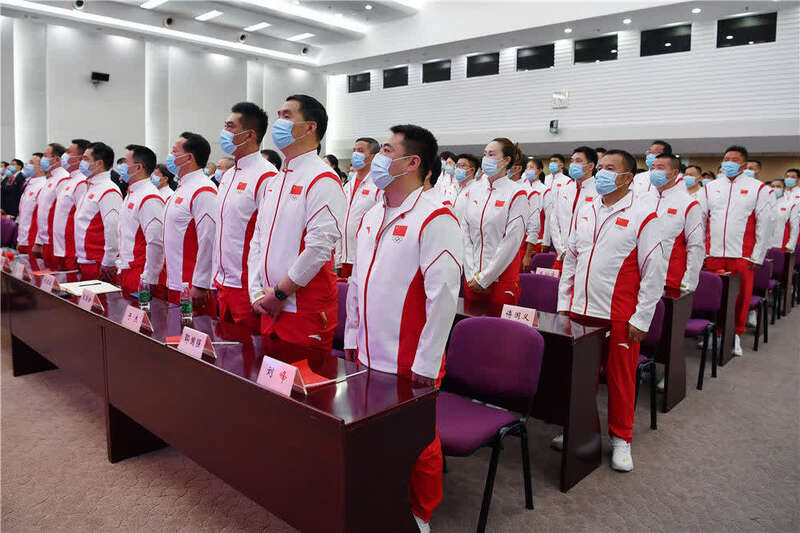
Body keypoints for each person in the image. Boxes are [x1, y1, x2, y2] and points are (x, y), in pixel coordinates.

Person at [344, 124, 462, 533]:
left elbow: (443, 297)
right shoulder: (372, 213)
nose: (377, 157)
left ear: (412, 162)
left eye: (386, 150)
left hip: (410, 355)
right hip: (367, 347)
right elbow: (357, 280)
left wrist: (427, 361)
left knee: (418, 439)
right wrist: (351, 334)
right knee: (371, 429)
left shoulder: (436, 217)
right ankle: (381, 495)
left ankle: (420, 513)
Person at [556, 149, 667, 472]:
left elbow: (654, 271)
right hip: (580, 308)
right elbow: (571, 259)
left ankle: (622, 438)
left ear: (628, 177)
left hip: (619, 312)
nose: (602, 173)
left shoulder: (643, 214)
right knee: (580, 376)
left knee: (620, 379)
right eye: (600, 167)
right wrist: (564, 304)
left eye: (610, 168)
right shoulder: (587, 208)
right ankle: (579, 429)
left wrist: (642, 317)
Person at [247, 94, 346, 362]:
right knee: (266, 380)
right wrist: (256, 291)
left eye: (287, 116)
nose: (279, 122)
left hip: (302, 308)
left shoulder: (322, 179)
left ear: (310, 127)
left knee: (302, 383)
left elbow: (319, 248)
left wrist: (280, 292)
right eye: (278, 115)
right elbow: (258, 240)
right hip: (269, 304)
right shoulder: (275, 181)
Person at [214, 101, 278, 333]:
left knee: (249, 352)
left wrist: (256, 288)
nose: (224, 132)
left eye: (230, 127)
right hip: (223, 283)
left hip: (247, 286)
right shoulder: (228, 175)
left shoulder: (267, 176)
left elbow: (269, 237)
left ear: (250, 135)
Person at [702, 146, 770, 356]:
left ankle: (735, 334)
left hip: (742, 254)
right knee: (712, 297)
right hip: (713, 253)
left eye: (734, 159)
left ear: (744, 164)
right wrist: (701, 251)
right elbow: (701, 220)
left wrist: (758, 255)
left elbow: (765, 224)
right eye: (726, 158)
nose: (729, 162)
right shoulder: (711, 187)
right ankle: (713, 332)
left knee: (740, 297)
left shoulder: (758, 188)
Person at [462, 138, 527, 310]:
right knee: (470, 324)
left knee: (497, 326)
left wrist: (485, 278)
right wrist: (471, 274)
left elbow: (512, 241)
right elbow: (465, 233)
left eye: (491, 154)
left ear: (506, 160)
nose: (486, 159)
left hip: (501, 279)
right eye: (484, 154)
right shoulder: (473, 190)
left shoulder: (516, 193)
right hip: (472, 278)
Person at [162, 132, 218, 313]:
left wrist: (201, 283)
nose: (170, 156)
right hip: (175, 281)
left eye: (174, 152)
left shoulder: (204, 190)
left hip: (191, 284)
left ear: (189, 158)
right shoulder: (182, 188)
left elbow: (209, 239)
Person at [640, 154, 705, 291]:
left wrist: (689, 282)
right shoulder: (641, 199)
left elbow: (696, 245)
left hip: (669, 279)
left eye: (660, 168)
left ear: (675, 173)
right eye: (653, 168)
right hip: (639, 277)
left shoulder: (688, 203)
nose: (654, 172)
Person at [116, 144, 165, 296]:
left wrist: (150, 278)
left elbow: (156, 241)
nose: (121, 166)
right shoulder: (132, 193)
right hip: (127, 269)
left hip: (140, 272)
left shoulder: (149, 197)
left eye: (126, 162)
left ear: (138, 167)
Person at [74, 142, 123, 281]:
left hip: (98, 261)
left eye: (85, 159)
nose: (81, 162)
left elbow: (113, 228)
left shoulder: (108, 190)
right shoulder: (90, 187)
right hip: (85, 259)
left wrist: (108, 261)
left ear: (99, 163)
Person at [551, 146, 598, 270]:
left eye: (578, 161)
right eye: (572, 161)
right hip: (562, 253)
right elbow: (554, 220)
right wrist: (561, 249)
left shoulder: (598, 191)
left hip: (585, 255)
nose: (573, 164)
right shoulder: (564, 189)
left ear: (591, 166)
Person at [339, 137, 381, 278]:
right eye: (354, 150)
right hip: (344, 255)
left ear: (373, 156)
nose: (355, 154)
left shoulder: (378, 185)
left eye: (361, 151)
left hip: (366, 256)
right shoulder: (347, 186)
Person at [51, 139, 91, 270]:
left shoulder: (82, 182)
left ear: (79, 159)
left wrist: (78, 252)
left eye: (68, 152)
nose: (64, 156)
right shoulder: (70, 180)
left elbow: (83, 219)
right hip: (61, 248)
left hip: (72, 250)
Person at [33, 143, 70, 268]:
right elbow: (42, 212)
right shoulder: (50, 179)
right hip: (46, 241)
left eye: (45, 156)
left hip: (56, 242)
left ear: (57, 159)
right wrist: (39, 241)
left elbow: (60, 213)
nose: (42, 159)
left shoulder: (63, 179)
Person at [522, 158, 553, 268]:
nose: (528, 170)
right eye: (527, 168)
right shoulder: (521, 188)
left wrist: (546, 241)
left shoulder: (545, 190)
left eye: (531, 167)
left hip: (538, 238)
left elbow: (548, 217)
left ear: (539, 171)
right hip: (521, 236)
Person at [15, 155, 47, 254]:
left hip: (32, 241)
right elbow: (23, 213)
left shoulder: (43, 185)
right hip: (23, 239)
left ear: (41, 167)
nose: (27, 165)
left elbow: (43, 216)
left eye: (31, 163)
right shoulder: (29, 185)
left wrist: (39, 242)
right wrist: (19, 239)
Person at [772, 179, 799, 253]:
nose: (775, 188)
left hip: (780, 244)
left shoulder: (791, 205)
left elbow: (795, 227)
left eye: (778, 186)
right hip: (764, 245)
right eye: (772, 186)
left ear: (784, 189)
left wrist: (790, 245)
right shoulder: (765, 203)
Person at [451, 153, 480, 223]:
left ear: (472, 170)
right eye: (457, 166)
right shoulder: (452, 187)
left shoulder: (477, 190)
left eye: (462, 166)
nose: (458, 169)